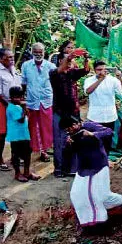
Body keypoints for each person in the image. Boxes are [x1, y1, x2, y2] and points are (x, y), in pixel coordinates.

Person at [61, 115, 122, 233]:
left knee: (95, 197)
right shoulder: (71, 136)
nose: (68, 132)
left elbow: (109, 131)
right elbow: (68, 153)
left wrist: (93, 134)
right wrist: (68, 144)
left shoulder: (89, 126)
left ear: (75, 125)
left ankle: (101, 224)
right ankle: (88, 221)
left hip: (97, 166)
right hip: (83, 168)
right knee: (77, 194)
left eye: (68, 129)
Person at [50, 50, 90, 178]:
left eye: (71, 60)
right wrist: (69, 57)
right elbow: (60, 70)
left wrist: (85, 58)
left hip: (73, 111)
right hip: (59, 112)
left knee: (74, 139)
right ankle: (59, 168)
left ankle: (72, 168)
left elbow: (86, 70)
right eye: (67, 60)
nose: (70, 62)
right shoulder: (54, 74)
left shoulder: (72, 74)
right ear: (60, 61)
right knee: (59, 141)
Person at [21, 43, 55, 162]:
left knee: (46, 127)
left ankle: (44, 150)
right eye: (35, 51)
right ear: (32, 52)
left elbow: (56, 83)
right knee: (32, 126)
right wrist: (22, 100)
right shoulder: (26, 65)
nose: (38, 54)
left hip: (46, 101)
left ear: (44, 52)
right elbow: (23, 83)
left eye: (40, 52)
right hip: (32, 101)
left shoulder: (51, 66)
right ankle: (33, 148)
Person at [84, 61, 122, 155]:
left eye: (103, 69)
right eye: (99, 70)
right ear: (94, 70)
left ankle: (105, 160)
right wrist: (100, 79)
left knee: (107, 140)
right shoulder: (89, 80)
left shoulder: (112, 80)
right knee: (95, 140)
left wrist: (120, 79)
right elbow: (88, 91)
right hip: (95, 115)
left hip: (109, 115)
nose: (102, 72)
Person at [0, 49, 22, 172]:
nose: (12, 59)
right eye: (9, 57)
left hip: (15, 104)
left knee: (15, 131)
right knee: (3, 133)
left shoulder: (13, 68)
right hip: (4, 105)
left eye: (13, 57)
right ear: (1, 59)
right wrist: (10, 106)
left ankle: (15, 158)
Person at [5, 86, 39, 182]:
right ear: (11, 97)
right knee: (15, 154)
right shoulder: (11, 108)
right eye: (16, 97)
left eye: (20, 97)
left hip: (24, 134)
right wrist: (24, 109)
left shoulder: (17, 106)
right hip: (16, 136)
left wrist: (25, 110)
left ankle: (27, 172)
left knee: (27, 152)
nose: (18, 99)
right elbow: (20, 120)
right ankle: (17, 173)